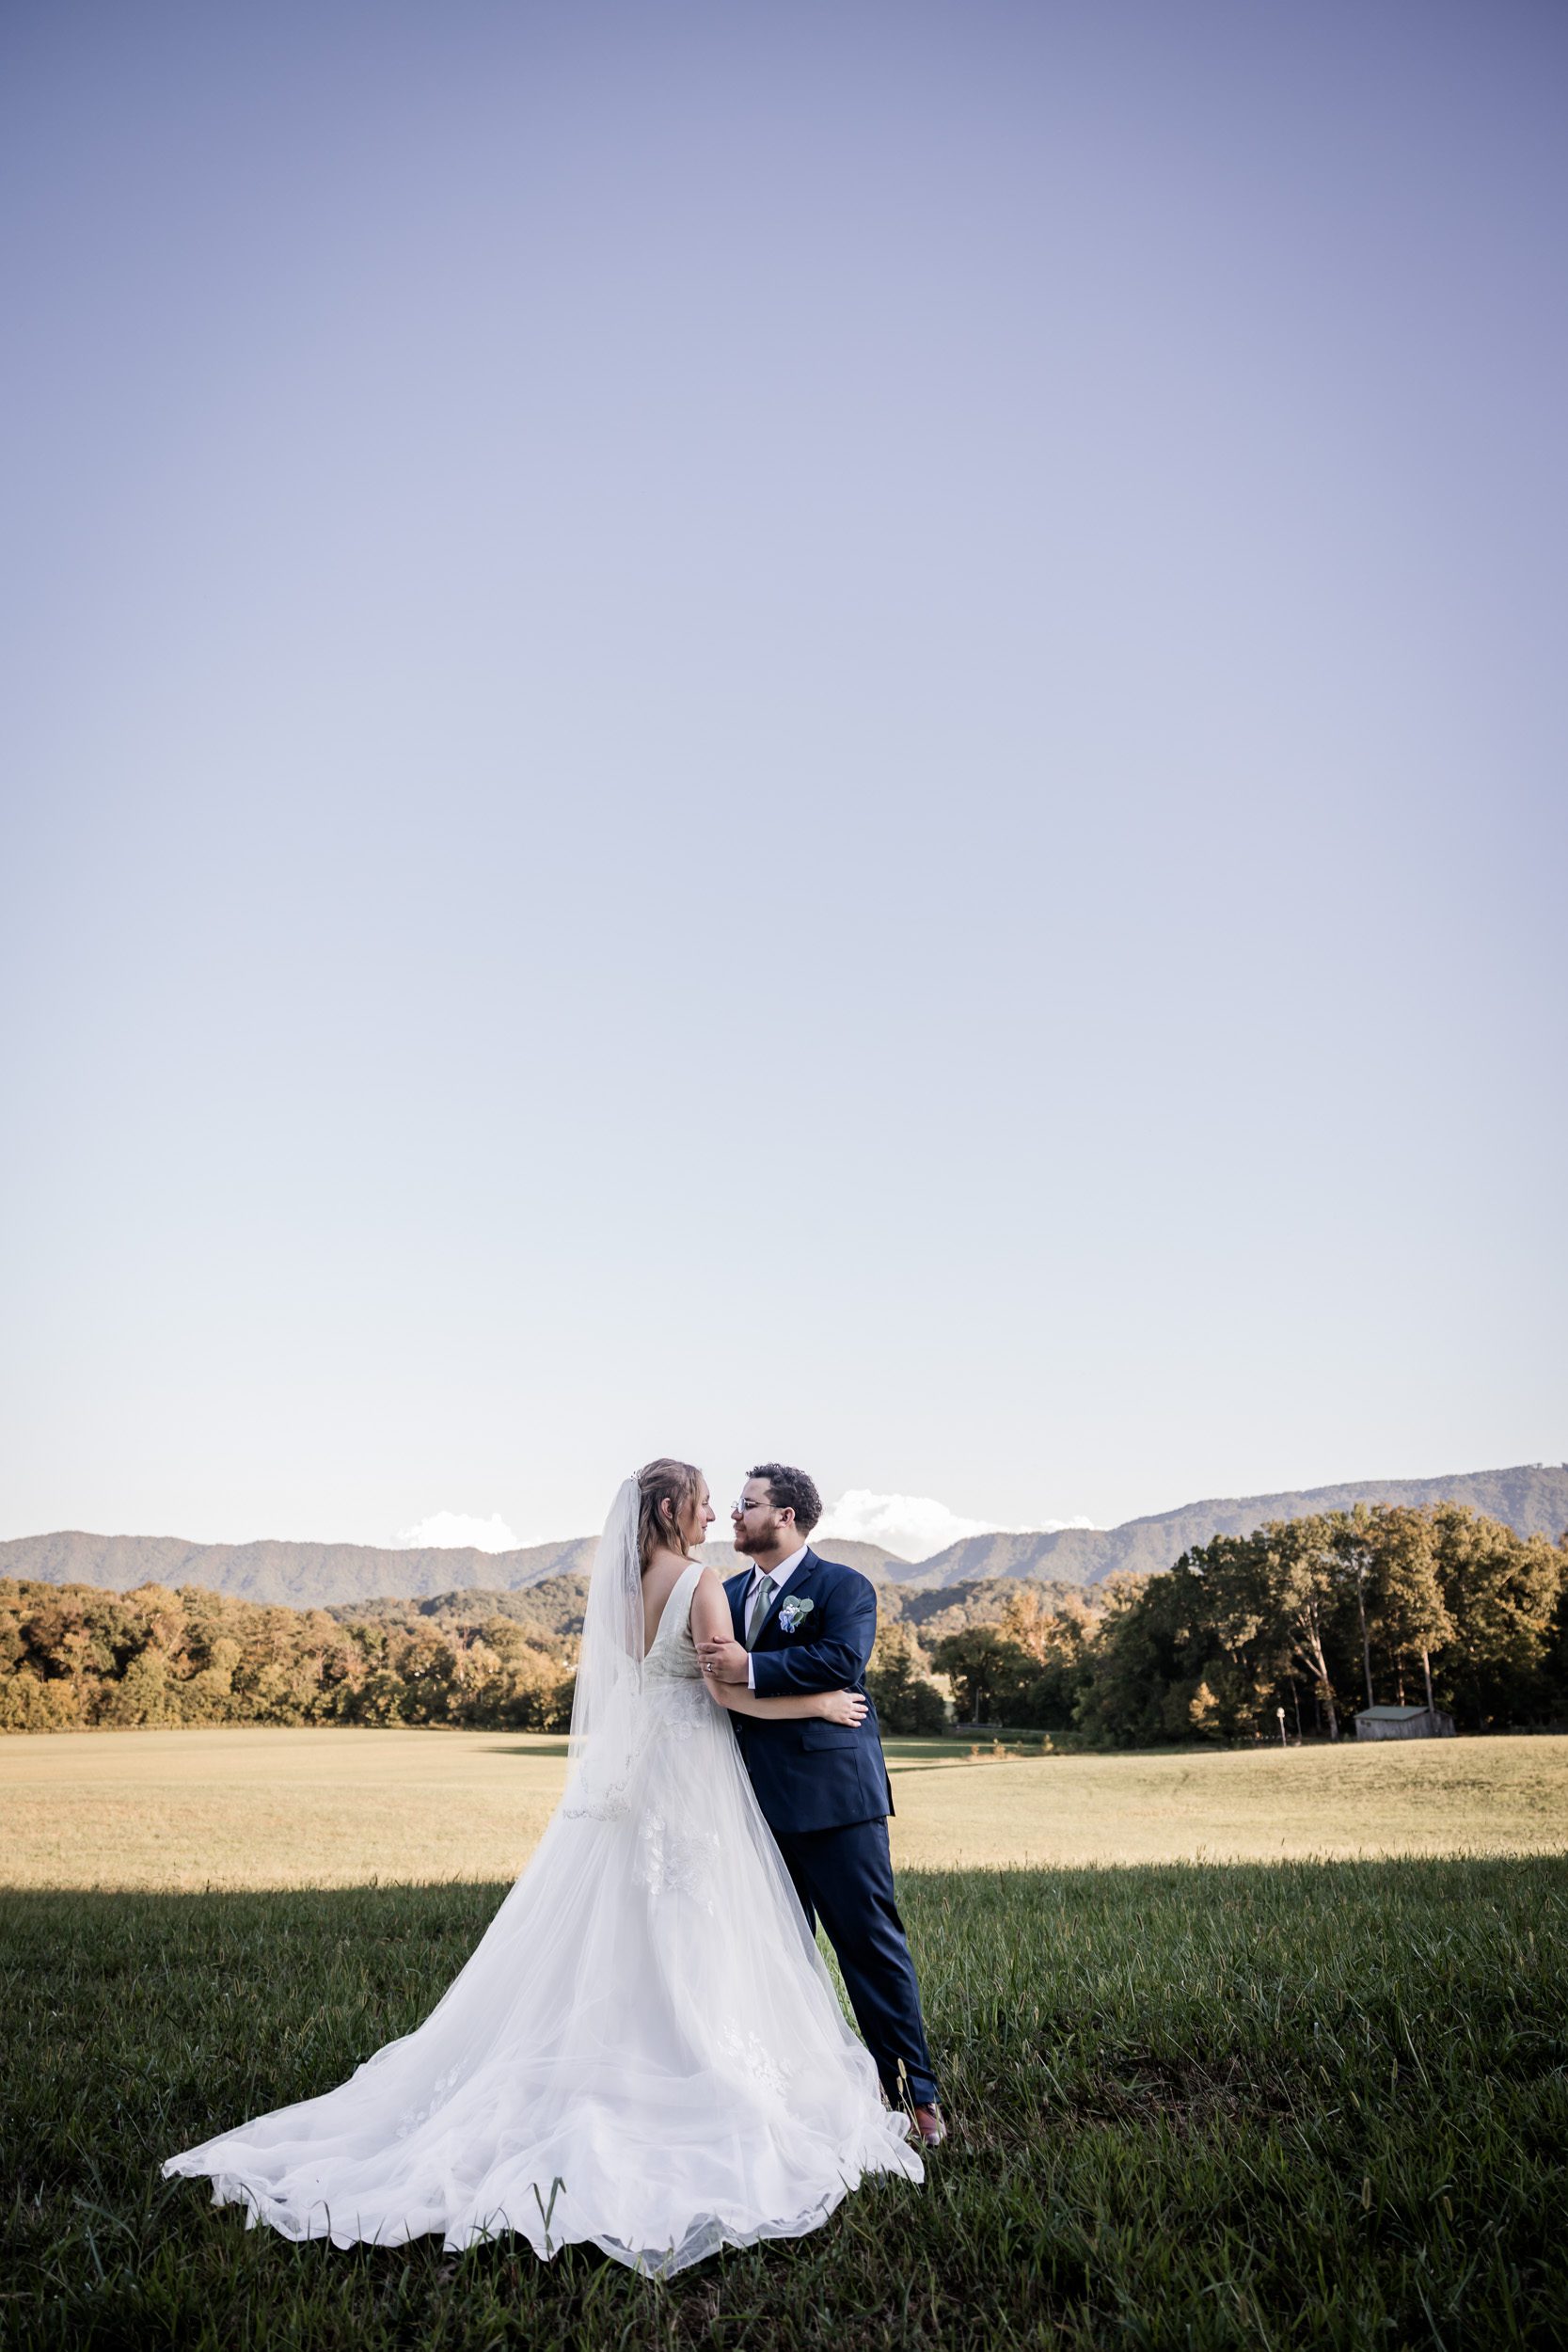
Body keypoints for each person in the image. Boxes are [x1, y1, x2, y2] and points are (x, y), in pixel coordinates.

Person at [162, 1461, 921, 2275]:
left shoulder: (624, 1591)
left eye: (734, 1505)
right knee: (703, 1924)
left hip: (637, 1783)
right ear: (670, 1509)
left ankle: (644, 2062)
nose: (716, 1517)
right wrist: (819, 1702)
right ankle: (701, 2069)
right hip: (693, 1781)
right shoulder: (704, 1585)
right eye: (706, 1504)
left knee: (626, 1922)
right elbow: (727, 1693)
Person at [697, 1463, 944, 2147]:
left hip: (836, 1803)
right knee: (773, 1956)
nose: (733, 1516)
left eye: (746, 1505)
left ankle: (913, 2095)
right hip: (745, 1805)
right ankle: (792, 2097)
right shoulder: (725, 1591)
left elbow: (840, 1661)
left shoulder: (843, 1586)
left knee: (869, 1949)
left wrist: (748, 1666)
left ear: (784, 1516)